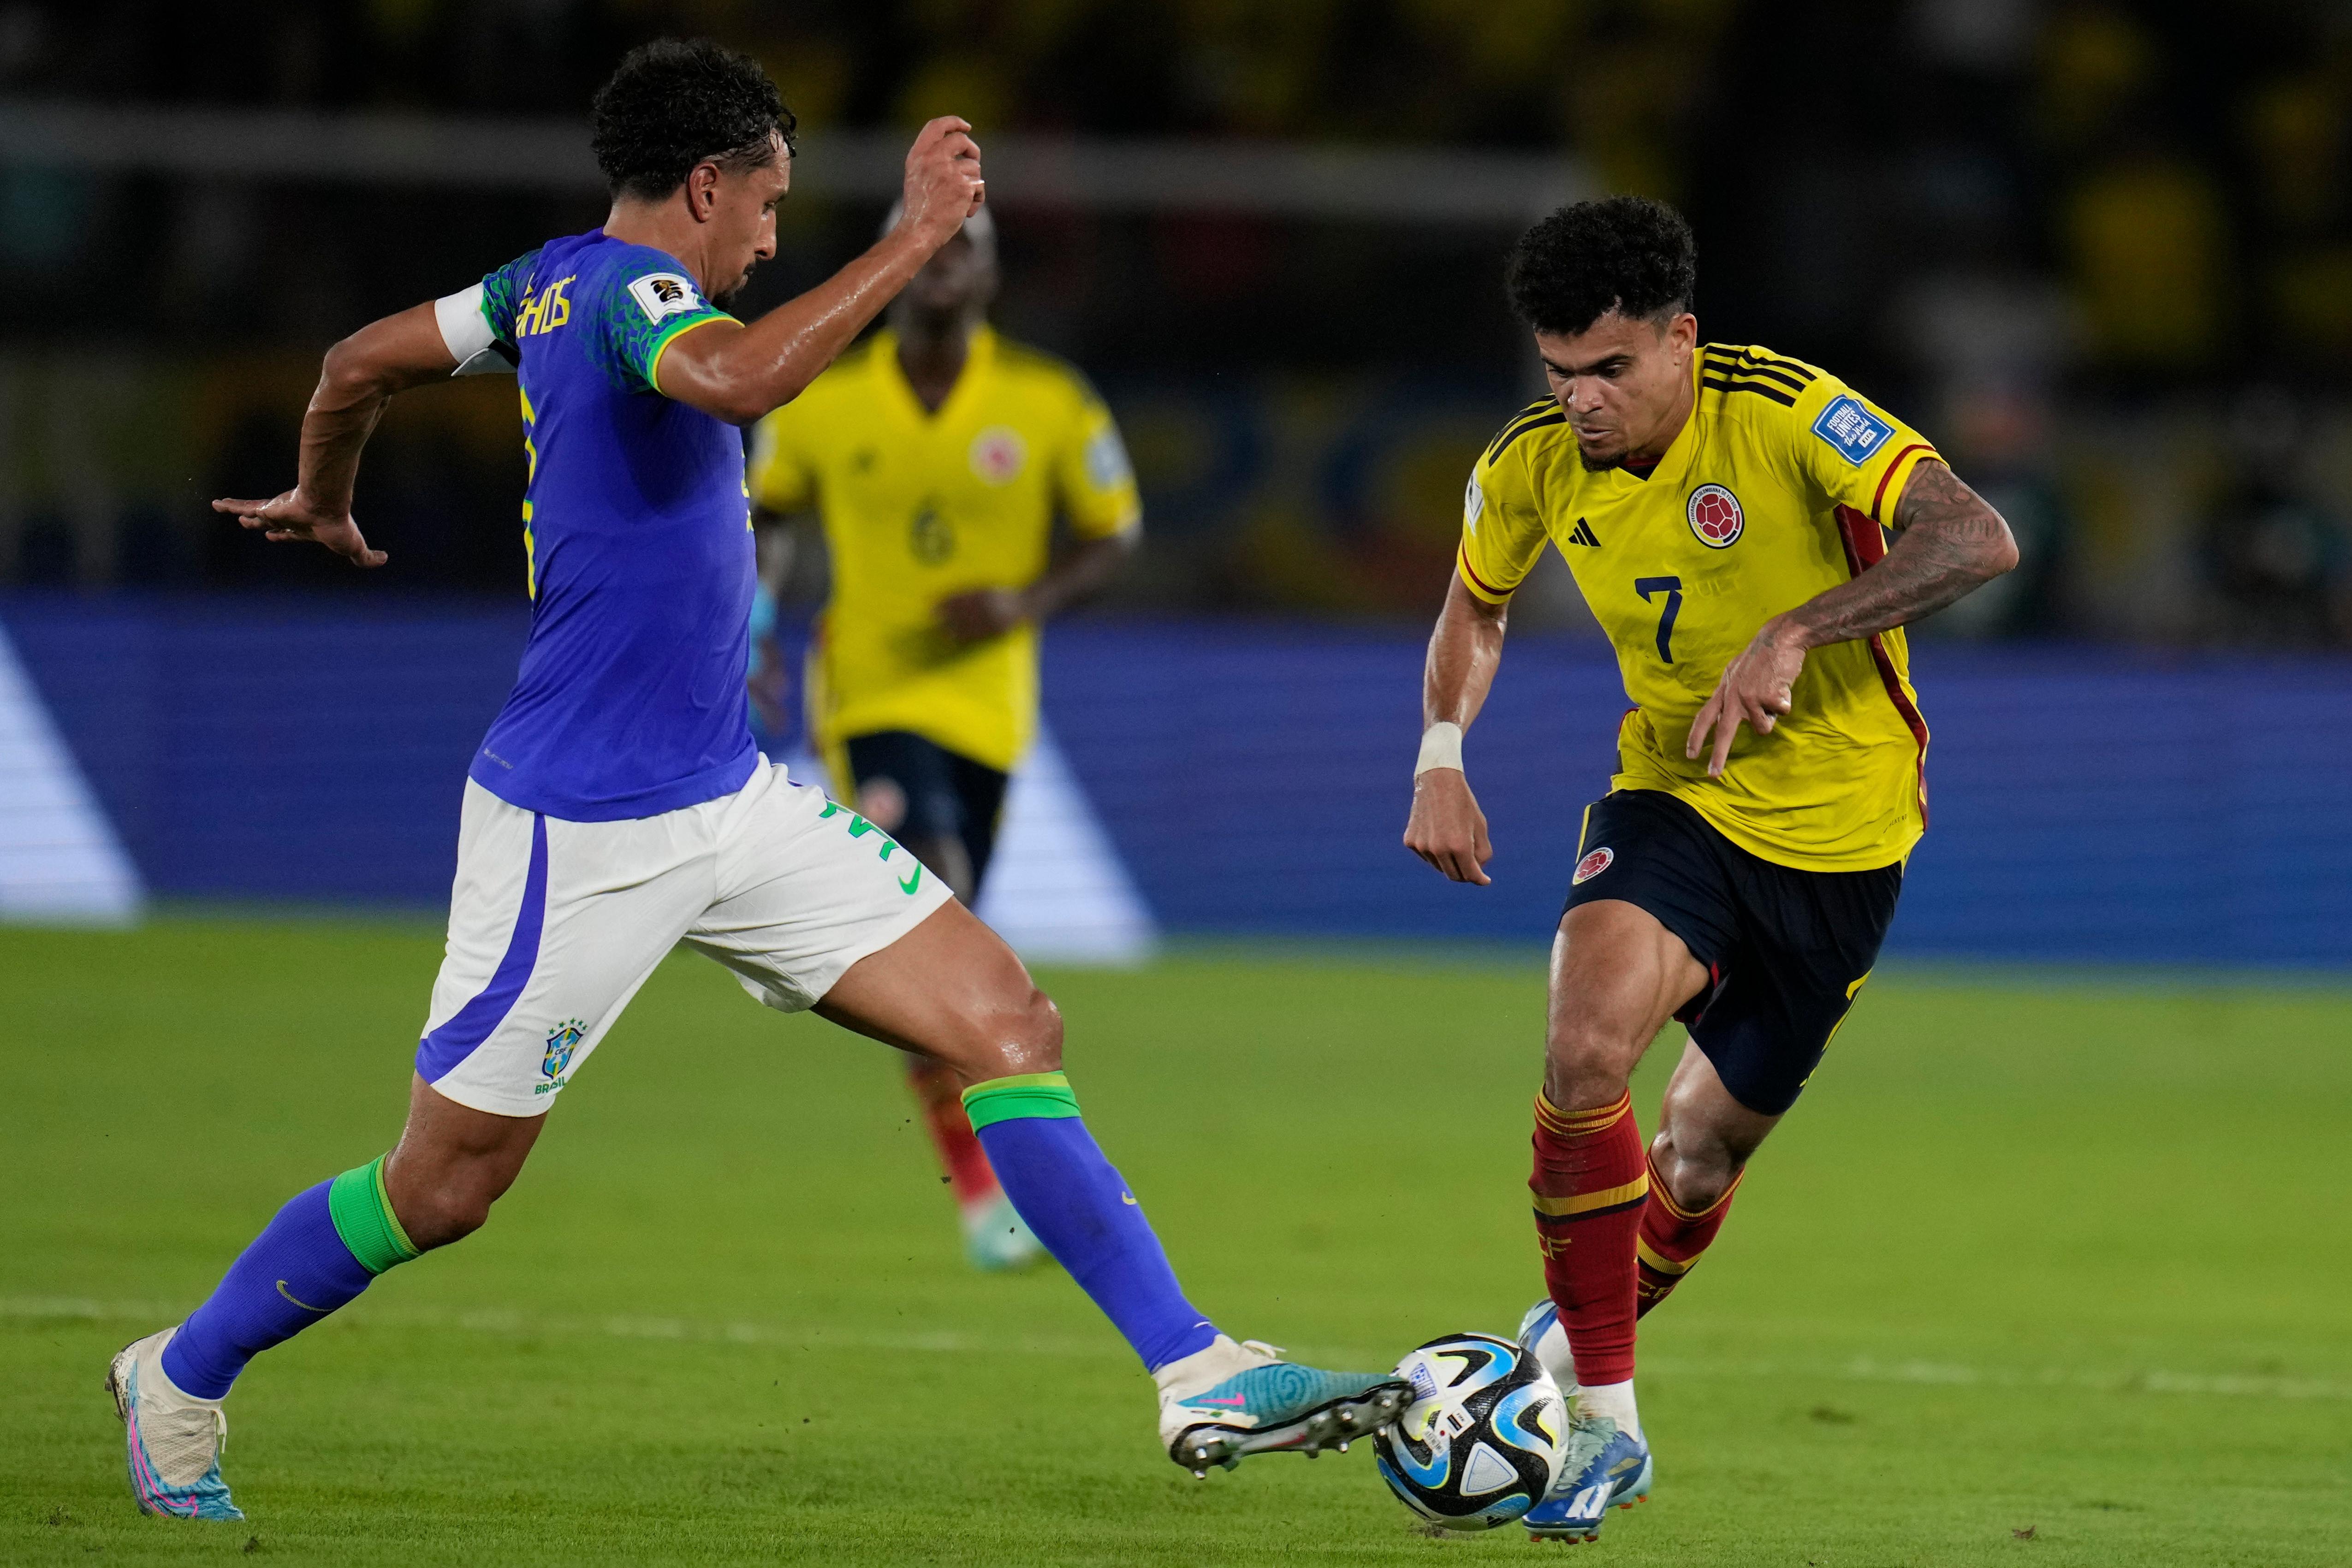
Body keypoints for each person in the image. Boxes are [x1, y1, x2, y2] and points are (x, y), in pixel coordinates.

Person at [112, 38, 1404, 1524]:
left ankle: (1194, 1368)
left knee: (1004, 1020)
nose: (772, 237)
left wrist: (327, 497)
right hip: (577, 830)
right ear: (706, 185)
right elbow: (729, 384)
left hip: (731, 799)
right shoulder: (631, 293)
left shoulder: (533, 285)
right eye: (770, 206)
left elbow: (354, 364)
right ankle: (183, 1376)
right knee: (444, 1188)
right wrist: (911, 236)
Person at [1401, 197, 2016, 1543]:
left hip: (1846, 845)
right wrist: (1439, 750)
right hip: (1673, 798)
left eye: (1611, 371)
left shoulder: (1791, 414)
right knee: (1582, 1056)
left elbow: (1974, 538)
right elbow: (1475, 600)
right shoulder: (1528, 464)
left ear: (1682, 340)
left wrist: (1798, 627)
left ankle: (1563, 1358)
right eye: (1559, 375)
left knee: (1688, 1164)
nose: (1581, 404)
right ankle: (1611, 1429)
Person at [747, 202, 1140, 1272]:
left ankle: (980, 1166)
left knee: (953, 935)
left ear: (989, 277)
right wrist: (758, 622)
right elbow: (768, 513)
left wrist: (1022, 604)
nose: (942, 266)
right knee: (937, 890)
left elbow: (1117, 530)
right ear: (898, 264)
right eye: (927, 246)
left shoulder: (1048, 402)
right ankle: (983, 1188)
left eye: (963, 250)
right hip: (868, 695)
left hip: (991, 711)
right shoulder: (825, 397)